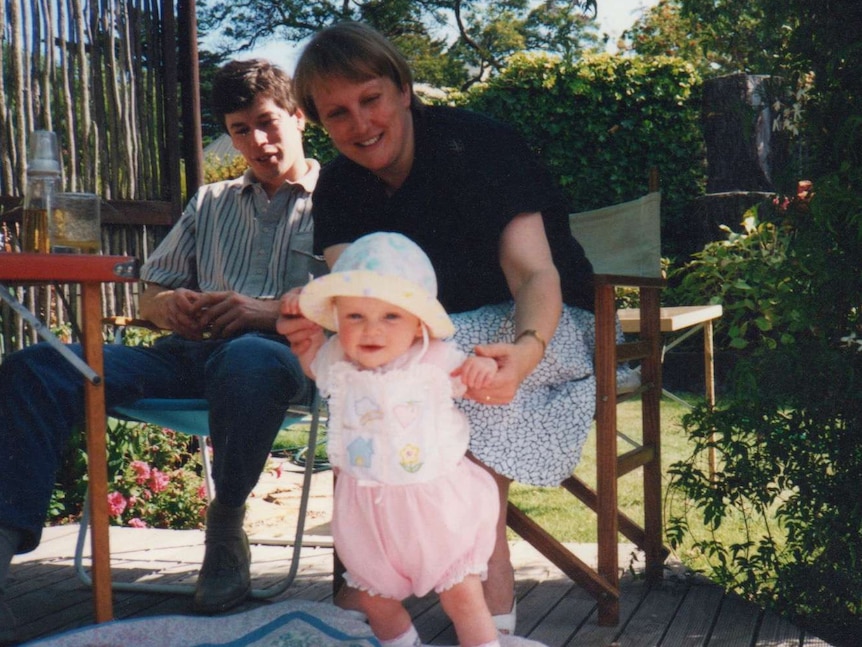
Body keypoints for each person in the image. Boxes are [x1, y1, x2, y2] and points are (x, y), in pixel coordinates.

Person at [278, 21, 597, 636]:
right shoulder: (341, 186)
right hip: (422, 339)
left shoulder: (479, 147)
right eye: (337, 113)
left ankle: (486, 610)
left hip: (535, 327)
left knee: (458, 389)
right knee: (379, 380)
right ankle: (377, 581)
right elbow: (357, 299)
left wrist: (525, 355)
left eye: (370, 98)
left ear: (403, 88)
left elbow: (533, 275)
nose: (360, 123)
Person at [0, 58, 325, 618]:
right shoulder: (211, 201)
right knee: (37, 366)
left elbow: (354, 307)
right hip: (185, 356)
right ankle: (2, 545)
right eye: (240, 129)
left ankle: (224, 529)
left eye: (268, 122)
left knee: (250, 356)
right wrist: (168, 306)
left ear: (299, 117)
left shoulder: (341, 201)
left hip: (281, 360)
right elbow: (150, 295)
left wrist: (262, 313)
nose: (257, 140)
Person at [284, 231, 502, 647]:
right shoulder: (338, 360)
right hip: (367, 514)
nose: (372, 331)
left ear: (419, 324)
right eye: (354, 317)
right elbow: (314, 364)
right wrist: (305, 331)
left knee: (462, 597)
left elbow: (473, 377)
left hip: (435, 511)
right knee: (373, 598)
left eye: (390, 317)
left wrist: (483, 370)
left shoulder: (433, 359)